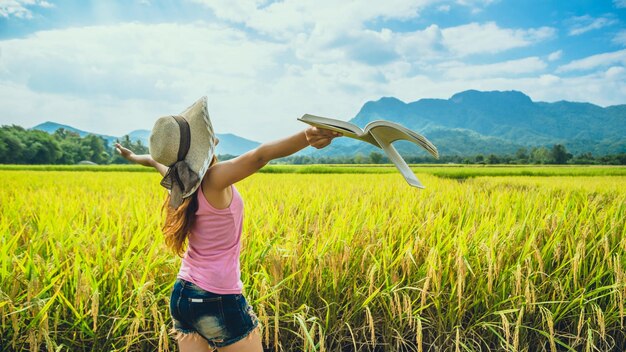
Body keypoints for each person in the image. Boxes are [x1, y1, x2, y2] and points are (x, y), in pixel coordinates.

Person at [115, 96, 340, 352]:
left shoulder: (178, 182)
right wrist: (306, 136)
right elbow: (260, 156)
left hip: (182, 295)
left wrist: (131, 156)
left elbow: (153, 160)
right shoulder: (213, 180)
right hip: (217, 296)